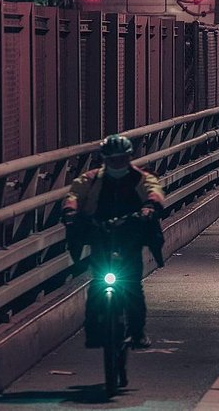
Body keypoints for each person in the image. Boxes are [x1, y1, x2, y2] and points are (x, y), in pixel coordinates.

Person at [62, 134, 165, 349]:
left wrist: (149, 208)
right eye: (112, 160)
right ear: (105, 160)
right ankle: (93, 332)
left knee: (132, 285)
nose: (117, 163)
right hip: (100, 233)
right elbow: (74, 195)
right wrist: (71, 211)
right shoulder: (91, 179)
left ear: (128, 158)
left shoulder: (141, 177)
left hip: (130, 233)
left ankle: (137, 333)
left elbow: (153, 192)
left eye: (121, 159)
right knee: (98, 281)